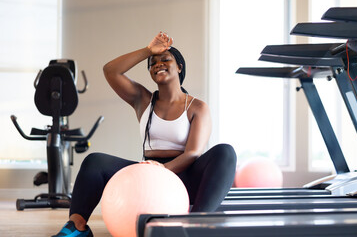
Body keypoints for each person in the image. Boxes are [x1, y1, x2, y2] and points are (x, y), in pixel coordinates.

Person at [52, 31, 237, 237]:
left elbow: (193, 152)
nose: (158, 64)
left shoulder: (197, 107)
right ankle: (77, 226)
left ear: (179, 67)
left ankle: (196, 224)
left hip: (184, 176)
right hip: (147, 174)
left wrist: (163, 170)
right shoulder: (143, 100)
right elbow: (111, 71)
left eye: (165, 59)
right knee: (94, 161)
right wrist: (148, 51)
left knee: (226, 153)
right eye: (153, 63)